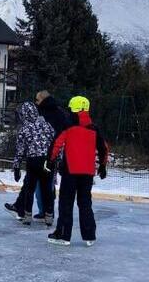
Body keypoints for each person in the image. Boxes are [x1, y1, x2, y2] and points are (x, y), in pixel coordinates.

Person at [45, 96, 108, 247]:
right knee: (85, 203)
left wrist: (50, 160)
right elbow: (104, 148)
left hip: (70, 171)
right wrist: (103, 165)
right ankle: (89, 235)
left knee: (66, 203)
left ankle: (63, 235)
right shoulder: (94, 128)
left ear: (74, 110)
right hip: (87, 173)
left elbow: (57, 144)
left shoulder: (67, 126)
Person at [4, 102, 56, 225]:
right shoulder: (47, 125)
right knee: (47, 189)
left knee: (29, 189)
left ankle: (27, 216)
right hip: (47, 161)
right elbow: (55, 143)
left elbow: (20, 149)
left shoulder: (25, 129)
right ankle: (49, 216)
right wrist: (56, 159)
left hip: (33, 161)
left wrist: (16, 167)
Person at [33, 90, 73, 220]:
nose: (36, 102)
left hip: (49, 152)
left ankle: (46, 211)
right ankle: (45, 211)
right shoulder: (60, 112)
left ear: (43, 100)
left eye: (37, 100)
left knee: (43, 183)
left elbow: (58, 135)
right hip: (53, 151)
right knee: (46, 182)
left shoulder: (46, 113)